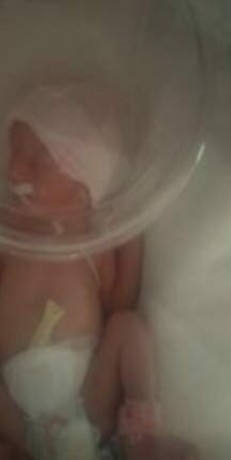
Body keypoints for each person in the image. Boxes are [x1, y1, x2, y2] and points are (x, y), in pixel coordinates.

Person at [0, 85, 195, 460]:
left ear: (82, 188)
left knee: (128, 328)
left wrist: (131, 228)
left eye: (36, 160)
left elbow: (120, 303)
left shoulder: (93, 248)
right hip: (14, 409)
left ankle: (141, 436)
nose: (13, 169)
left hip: (86, 398)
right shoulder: (10, 236)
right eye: (14, 152)